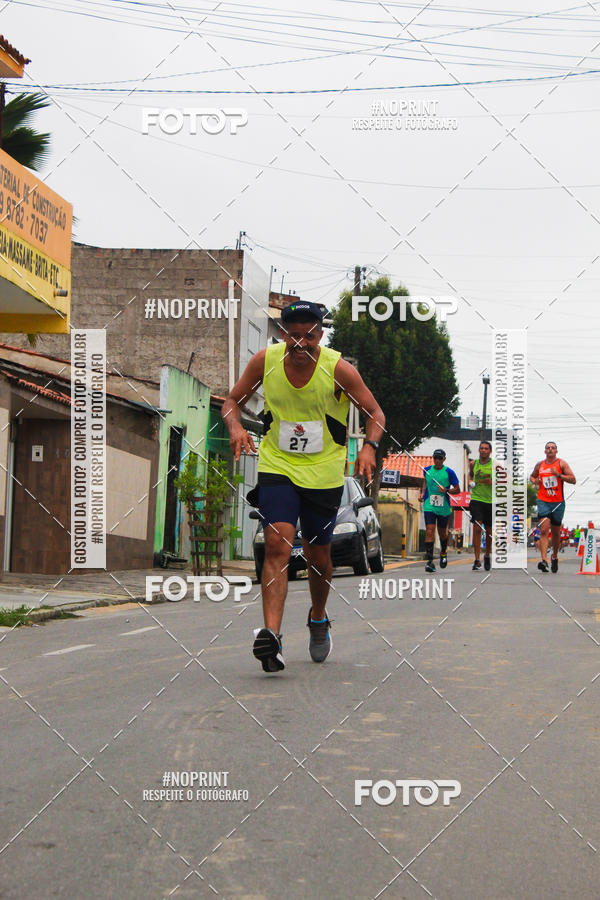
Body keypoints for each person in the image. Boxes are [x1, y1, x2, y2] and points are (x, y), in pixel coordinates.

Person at [222, 300, 385, 673]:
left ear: (319, 336)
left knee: (318, 558)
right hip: (277, 464)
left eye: (308, 336)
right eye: (293, 335)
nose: (300, 343)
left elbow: (376, 412)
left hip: (325, 473)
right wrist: (234, 427)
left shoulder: (338, 369)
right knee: (278, 543)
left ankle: (318, 616)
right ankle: (272, 636)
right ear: (283, 335)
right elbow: (232, 401)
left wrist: (369, 449)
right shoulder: (265, 361)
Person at [529, 441, 576, 573]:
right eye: (547, 448)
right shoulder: (540, 465)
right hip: (543, 501)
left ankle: (554, 556)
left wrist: (559, 475)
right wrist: (535, 481)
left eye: (552, 448)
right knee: (544, 529)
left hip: (558, 502)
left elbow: (573, 479)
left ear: (556, 451)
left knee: (556, 533)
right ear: (545, 451)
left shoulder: (561, 464)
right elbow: (532, 477)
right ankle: (544, 560)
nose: (550, 450)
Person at [418, 449, 460, 573]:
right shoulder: (426, 470)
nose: (437, 460)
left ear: (444, 459)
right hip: (429, 505)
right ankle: (429, 561)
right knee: (430, 530)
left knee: (442, 533)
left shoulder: (449, 472)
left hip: (444, 507)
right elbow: (425, 482)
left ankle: (443, 553)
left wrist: (446, 491)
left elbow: (457, 490)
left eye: (440, 458)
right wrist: (422, 493)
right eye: (435, 458)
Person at [468, 440, 493, 571]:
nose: (483, 450)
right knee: (477, 527)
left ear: (490, 451)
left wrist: (492, 482)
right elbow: (470, 476)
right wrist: (470, 482)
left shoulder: (495, 465)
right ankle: (477, 559)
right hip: (476, 499)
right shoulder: (473, 464)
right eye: (481, 448)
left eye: (486, 448)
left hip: (490, 501)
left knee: (489, 530)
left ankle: (487, 555)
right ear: (479, 450)